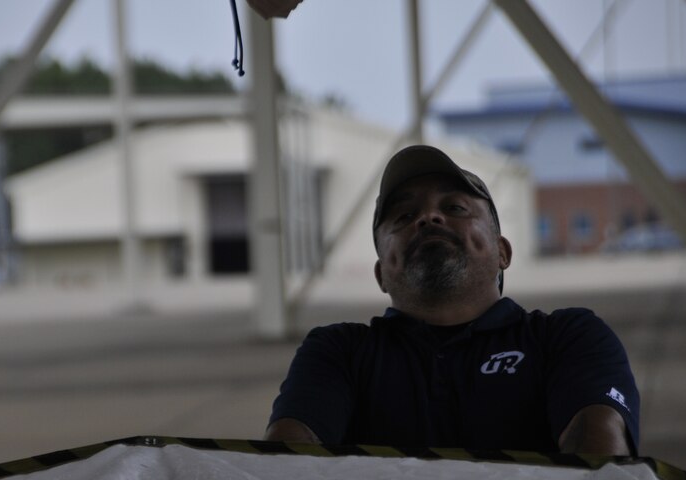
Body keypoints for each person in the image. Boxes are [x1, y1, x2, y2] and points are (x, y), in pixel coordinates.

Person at [265, 144, 640, 455]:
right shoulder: (338, 353)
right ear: (381, 273)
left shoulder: (568, 337)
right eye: (404, 215)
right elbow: (287, 470)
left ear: (502, 252)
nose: (428, 217)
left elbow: (599, 466)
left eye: (455, 208)